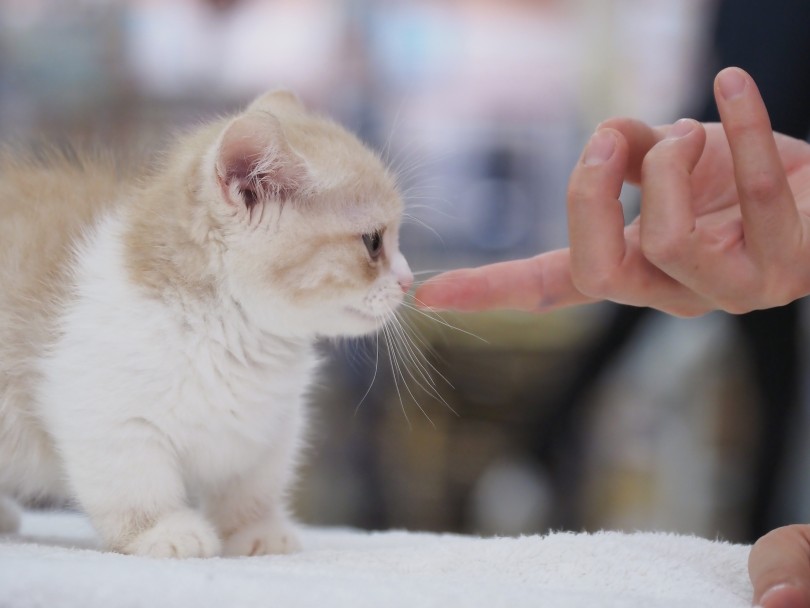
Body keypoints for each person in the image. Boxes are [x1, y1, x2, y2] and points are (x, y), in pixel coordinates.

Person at [414, 67, 810, 608]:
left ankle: (531, 454)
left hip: (747, 174)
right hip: (735, 172)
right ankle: (532, 455)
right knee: (637, 304)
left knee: (742, 368)